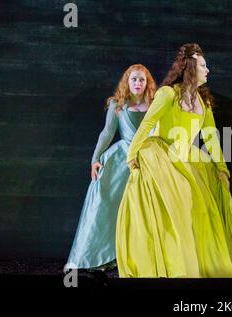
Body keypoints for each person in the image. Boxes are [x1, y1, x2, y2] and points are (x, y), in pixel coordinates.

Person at [116, 43, 232, 278]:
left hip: (189, 159)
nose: (208, 70)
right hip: (162, 156)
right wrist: (132, 155)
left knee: (200, 209)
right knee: (178, 205)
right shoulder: (168, 93)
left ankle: (196, 263)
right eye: (204, 66)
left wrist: (221, 169)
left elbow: (210, 137)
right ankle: (173, 264)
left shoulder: (203, 103)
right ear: (190, 68)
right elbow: (147, 124)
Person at [65, 64, 156, 270]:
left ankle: (139, 255)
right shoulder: (118, 103)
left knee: (143, 207)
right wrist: (95, 158)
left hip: (149, 157)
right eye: (134, 79)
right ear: (127, 81)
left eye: (142, 80)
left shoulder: (154, 103)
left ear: (147, 82)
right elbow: (107, 133)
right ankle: (104, 255)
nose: (138, 83)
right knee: (108, 203)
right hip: (121, 158)